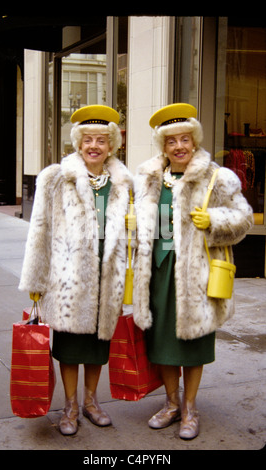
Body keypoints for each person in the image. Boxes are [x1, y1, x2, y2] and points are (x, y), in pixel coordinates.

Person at [133, 103, 253, 440]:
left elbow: (244, 217)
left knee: (194, 341)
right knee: (162, 342)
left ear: (194, 140)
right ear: (163, 146)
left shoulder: (217, 176)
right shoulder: (148, 177)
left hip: (197, 272)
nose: (179, 146)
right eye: (171, 142)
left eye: (185, 139)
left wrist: (214, 220)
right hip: (158, 269)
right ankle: (171, 404)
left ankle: (190, 407)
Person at [19, 105, 133, 435]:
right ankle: (70, 405)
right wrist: (35, 279)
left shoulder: (124, 184)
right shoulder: (55, 178)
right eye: (88, 140)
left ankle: (91, 401)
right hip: (67, 280)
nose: (94, 145)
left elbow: (135, 233)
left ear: (112, 145)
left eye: (101, 140)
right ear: (78, 144)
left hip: (106, 278)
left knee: (99, 346)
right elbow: (38, 230)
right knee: (68, 347)